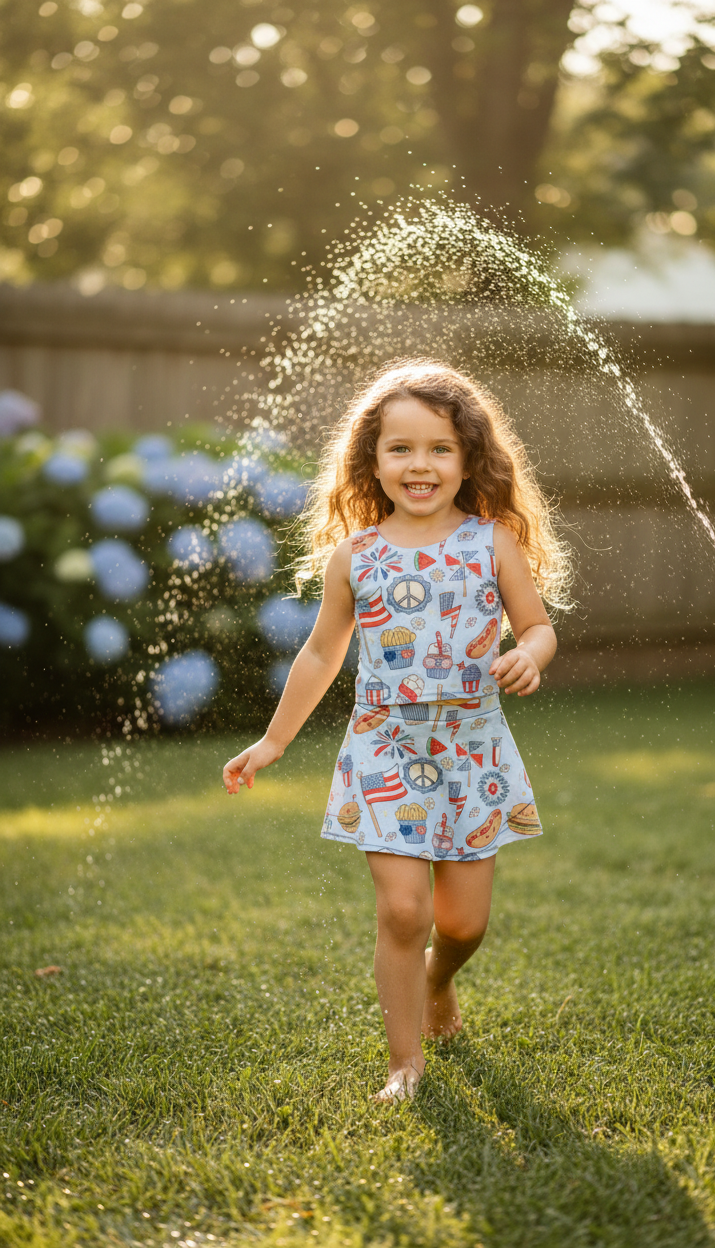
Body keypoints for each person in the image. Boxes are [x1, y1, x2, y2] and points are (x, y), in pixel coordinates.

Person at [222, 359, 570, 1102]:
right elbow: (321, 652)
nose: (420, 464)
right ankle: (403, 1064)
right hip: (386, 747)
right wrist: (274, 740)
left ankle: (440, 980)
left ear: (469, 458)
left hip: (472, 750)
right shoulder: (358, 556)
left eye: (440, 448)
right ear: (371, 462)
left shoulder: (490, 543)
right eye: (400, 449)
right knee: (405, 910)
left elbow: (538, 627)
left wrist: (528, 654)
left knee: (463, 924)